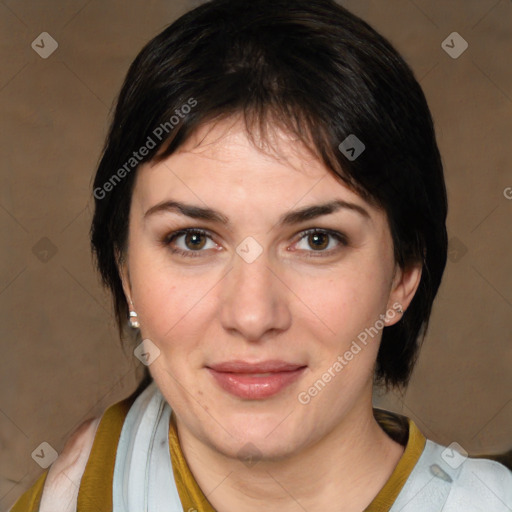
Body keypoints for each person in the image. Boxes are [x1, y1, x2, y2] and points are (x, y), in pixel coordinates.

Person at [10, 0, 512, 510]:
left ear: (403, 276)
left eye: (317, 239)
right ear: (126, 274)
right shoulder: (71, 495)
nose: (252, 316)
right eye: (193, 239)